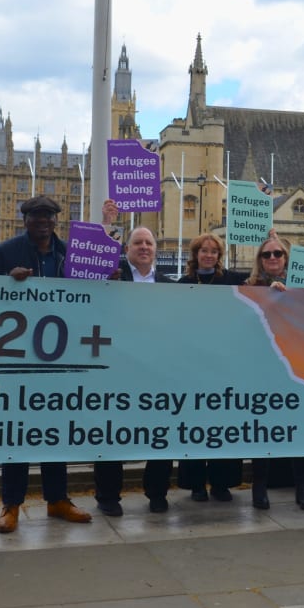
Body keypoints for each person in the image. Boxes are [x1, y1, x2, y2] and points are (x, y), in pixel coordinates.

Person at [0, 195, 93, 532]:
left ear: (55, 220)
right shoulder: (6, 253)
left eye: (48, 216)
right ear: (25, 220)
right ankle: (12, 503)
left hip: (61, 353)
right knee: (18, 429)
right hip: (19, 352)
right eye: (36, 216)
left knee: (54, 428)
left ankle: (57, 499)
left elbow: (93, 294)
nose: (43, 221)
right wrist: (7, 280)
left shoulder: (72, 255)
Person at [97, 213, 176, 515]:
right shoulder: (114, 277)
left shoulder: (170, 284)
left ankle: (156, 492)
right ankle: (108, 495)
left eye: (149, 243)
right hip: (118, 366)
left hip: (157, 369)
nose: (144, 247)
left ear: (155, 249)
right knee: (111, 430)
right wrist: (107, 222)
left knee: (160, 432)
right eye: (138, 243)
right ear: (127, 248)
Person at [244, 234, 304, 511]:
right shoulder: (250, 287)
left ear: (287, 258)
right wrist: (269, 296)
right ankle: (259, 487)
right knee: (263, 429)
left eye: (278, 253)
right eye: (267, 254)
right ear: (259, 260)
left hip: (296, 366)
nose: (272, 258)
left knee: (300, 429)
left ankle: (303, 487)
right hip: (262, 368)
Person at [175, 233, 245, 502]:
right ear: (195, 254)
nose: (209, 255)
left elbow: (258, 286)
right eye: (204, 250)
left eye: (214, 251)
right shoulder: (184, 283)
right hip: (192, 364)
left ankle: (221, 483)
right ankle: (195, 484)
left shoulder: (231, 280)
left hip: (224, 364)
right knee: (195, 425)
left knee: (223, 424)